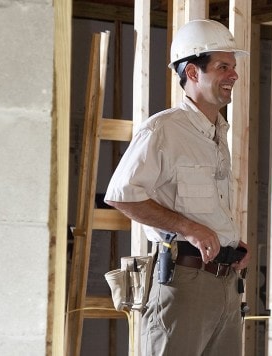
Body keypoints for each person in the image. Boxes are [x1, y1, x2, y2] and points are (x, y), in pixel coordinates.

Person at [103, 19, 251, 355]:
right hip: (185, 283)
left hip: (226, 284)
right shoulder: (164, 130)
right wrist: (190, 229)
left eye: (234, 67)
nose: (234, 75)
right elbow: (122, 195)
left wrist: (227, 238)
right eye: (223, 66)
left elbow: (199, 201)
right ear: (193, 72)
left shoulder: (217, 132)